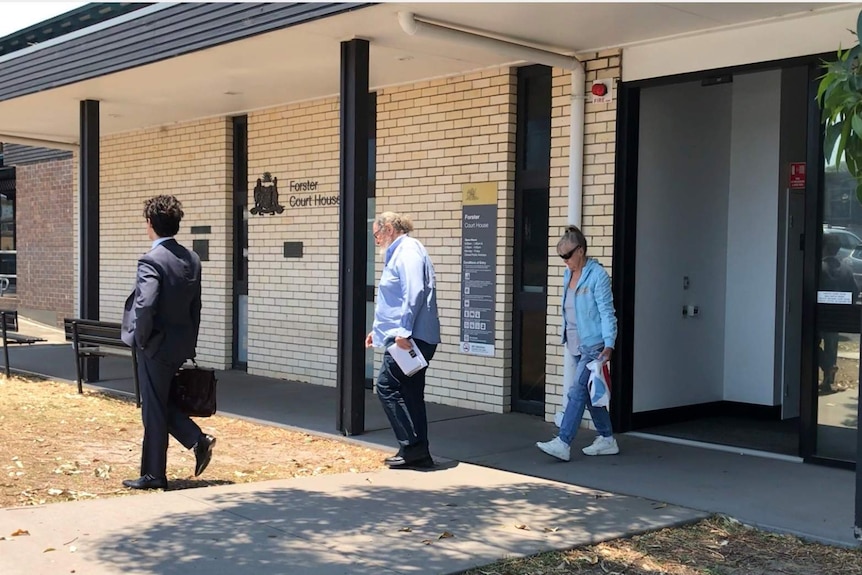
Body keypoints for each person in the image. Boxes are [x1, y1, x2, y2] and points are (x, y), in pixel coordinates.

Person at [120, 195, 215, 489]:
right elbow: (195, 307)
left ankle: (155, 473)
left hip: (156, 345)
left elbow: (145, 305)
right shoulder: (192, 259)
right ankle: (196, 442)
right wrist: (190, 343)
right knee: (157, 404)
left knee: (153, 407)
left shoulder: (151, 260)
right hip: (179, 345)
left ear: (150, 224)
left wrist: (141, 338)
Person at [365, 212, 441, 469]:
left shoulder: (407, 250)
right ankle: (419, 453)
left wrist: (403, 332)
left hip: (411, 338)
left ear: (388, 229)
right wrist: (379, 331)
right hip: (406, 336)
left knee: (387, 387)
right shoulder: (400, 251)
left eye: (376, 234)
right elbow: (394, 300)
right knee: (410, 394)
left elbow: (414, 291)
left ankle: (412, 447)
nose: (376, 240)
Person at [536, 225, 619, 462]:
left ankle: (563, 442)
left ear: (580, 251)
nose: (565, 261)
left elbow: (606, 312)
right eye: (561, 256)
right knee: (590, 394)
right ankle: (607, 438)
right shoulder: (567, 275)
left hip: (593, 344)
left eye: (568, 256)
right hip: (574, 342)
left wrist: (609, 344)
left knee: (576, 392)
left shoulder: (597, 276)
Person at [818, 233, 857, 394]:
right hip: (837, 316)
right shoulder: (846, 270)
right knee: (832, 346)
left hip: (819, 314)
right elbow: (854, 291)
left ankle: (828, 366)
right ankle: (829, 381)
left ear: (825, 247)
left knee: (811, 343)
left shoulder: (819, 267)